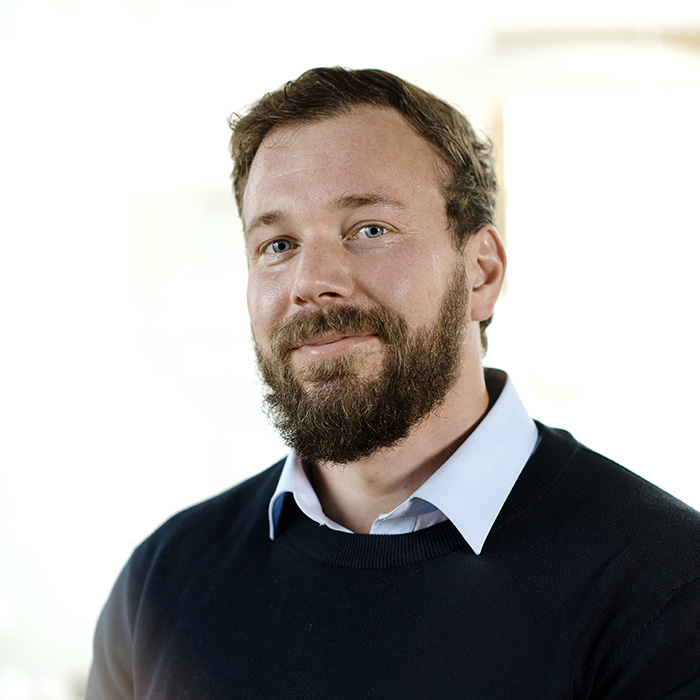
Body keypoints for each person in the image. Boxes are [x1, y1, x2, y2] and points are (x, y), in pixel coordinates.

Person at [87, 67, 700, 699]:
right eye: (278, 244)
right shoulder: (159, 588)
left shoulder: (666, 588)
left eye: (369, 230)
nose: (311, 282)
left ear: (481, 272)